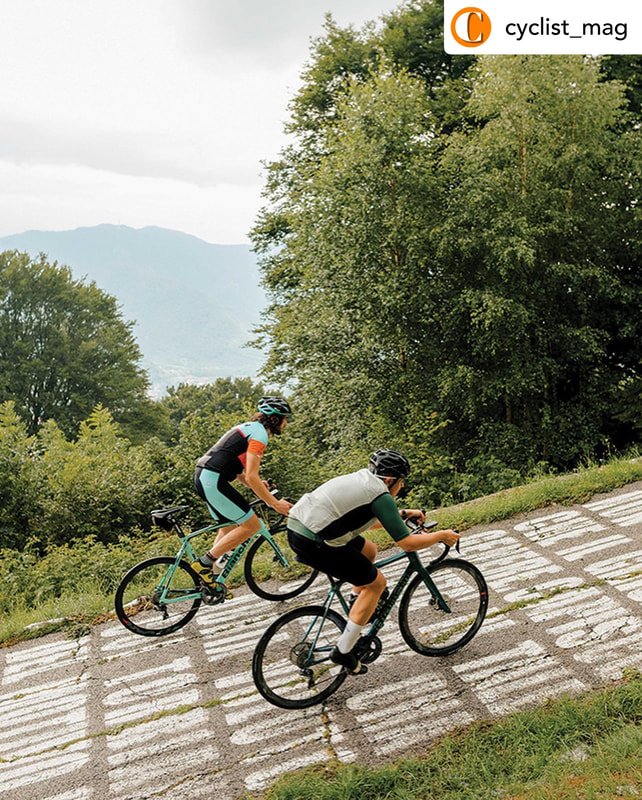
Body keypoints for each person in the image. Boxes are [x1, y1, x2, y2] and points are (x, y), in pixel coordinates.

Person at [286, 449, 460, 675]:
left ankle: (357, 601)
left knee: (369, 549)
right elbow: (407, 543)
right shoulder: (380, 494)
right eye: (401, 481)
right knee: (377, 584)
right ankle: (343, 652)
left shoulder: (365, 480)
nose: (402, 486)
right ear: (389, 480)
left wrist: (403, 514)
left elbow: (371, 521)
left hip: (301, 528)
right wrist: (441, 535)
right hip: (316, 541)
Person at [191, 396, 293, 586]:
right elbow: (252, 476)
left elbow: (241, 473)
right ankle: (204, 564)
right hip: (213, 480)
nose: (286, 423)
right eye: (285, 418)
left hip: (205, 477)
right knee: (251, 525)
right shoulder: (260, 435)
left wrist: (258, 485)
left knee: (229, 528)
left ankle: (210, 582)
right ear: (274, 419)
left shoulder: (249, 428)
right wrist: (275, 503)